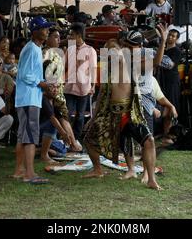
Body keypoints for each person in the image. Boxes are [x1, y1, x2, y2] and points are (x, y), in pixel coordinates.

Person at [83, 36, 161, 190]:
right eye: (108, 50)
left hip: (130, 113)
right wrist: (93, 118)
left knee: (149, 141)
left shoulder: (132, 65)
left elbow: (156, 62)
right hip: (111, 114)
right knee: (88, 138)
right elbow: (101, 96)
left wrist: (163, 41)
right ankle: (99, 169)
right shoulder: (108, 70)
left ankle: (151, 179)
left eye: (113, 49)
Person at [13, 16, 52, 183]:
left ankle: (19, 171)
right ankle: (29, 174)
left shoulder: (34, 48)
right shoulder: (31, 49)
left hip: (28, 97)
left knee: (23, 136)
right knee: (30, 136)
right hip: (28, 98)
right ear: (35, 31)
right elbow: (24, 74)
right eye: (44, 28)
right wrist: (41, 84)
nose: (47, 31)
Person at [64, 23, 97, 140]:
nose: (69, 37)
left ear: (78, 35)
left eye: (71, 34)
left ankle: (76, 139)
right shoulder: (69, 49)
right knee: (66, 114)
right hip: (69, 87)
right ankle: (67, 138)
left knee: (80, 115)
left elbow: (93, 69)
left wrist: (93, 86)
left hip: (83, 89)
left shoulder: (90, 50)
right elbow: (65, 67)